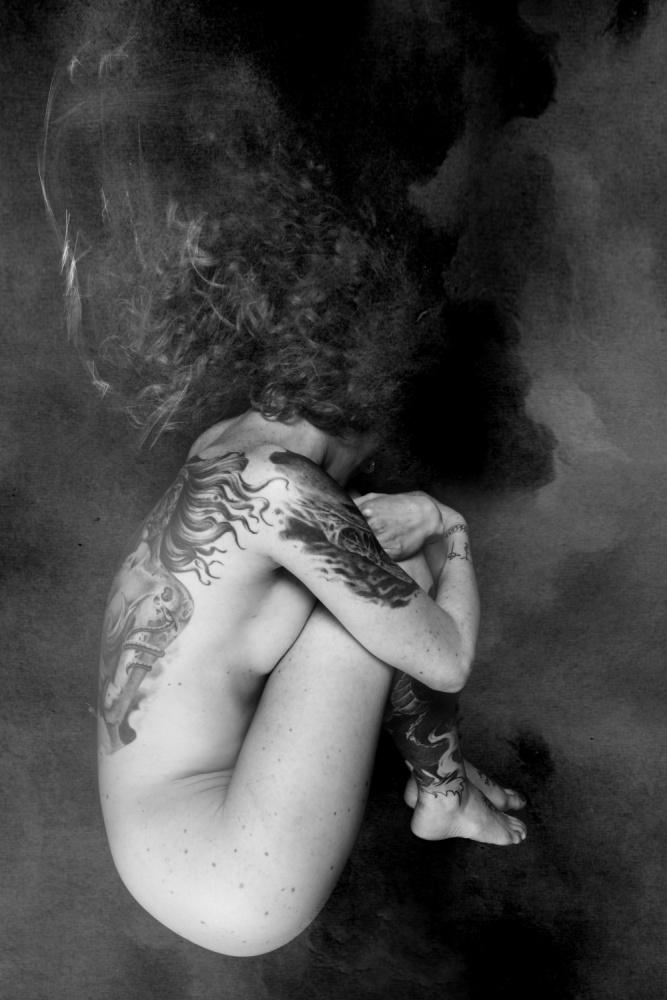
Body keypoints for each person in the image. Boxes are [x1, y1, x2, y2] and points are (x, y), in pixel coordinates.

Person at [43, 45, 526, 958]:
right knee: (404, 559)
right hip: (231, 882)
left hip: (160, 845)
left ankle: (443, 790)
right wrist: (450, 528)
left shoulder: (232, 444)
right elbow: (448, 656)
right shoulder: (284, 491)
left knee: (373, 562)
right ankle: (441, 796)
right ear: (366, 396)